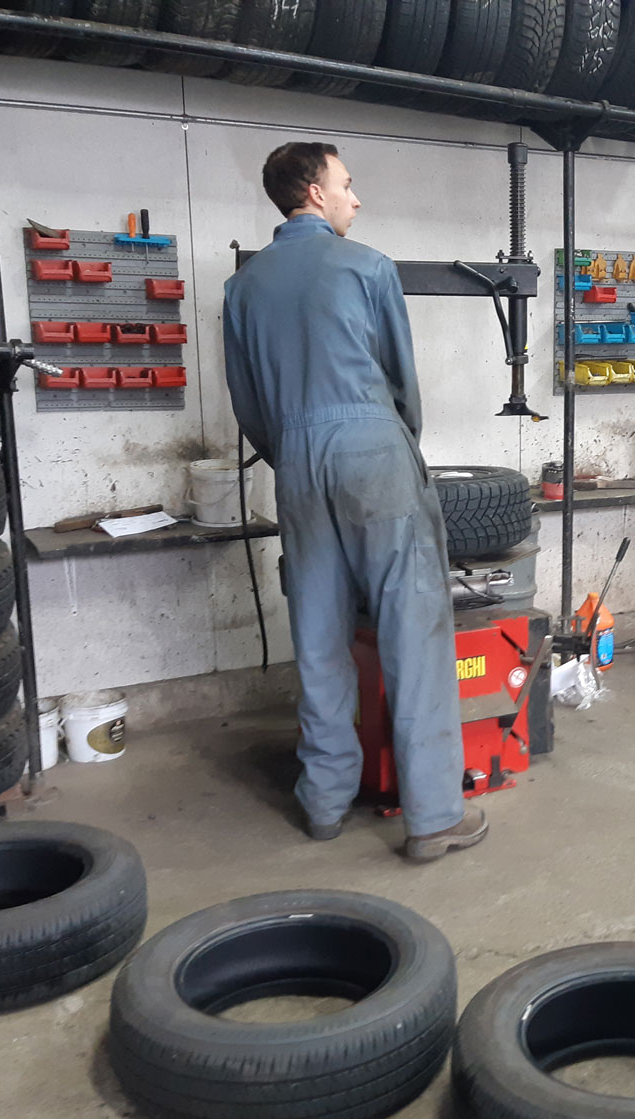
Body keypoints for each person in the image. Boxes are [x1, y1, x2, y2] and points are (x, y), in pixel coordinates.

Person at [222, 141, 487, 862]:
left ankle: (324, 802)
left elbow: (248, 405)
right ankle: (433, 817)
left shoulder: (243, 288)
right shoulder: (367, 266)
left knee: (318, 631)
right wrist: (394, 446)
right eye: (347, 183)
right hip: (371, 448)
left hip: (297, 461)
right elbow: (401, 381)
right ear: (314, 191)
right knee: (413, 627)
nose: (356, 198)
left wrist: (295, 454)